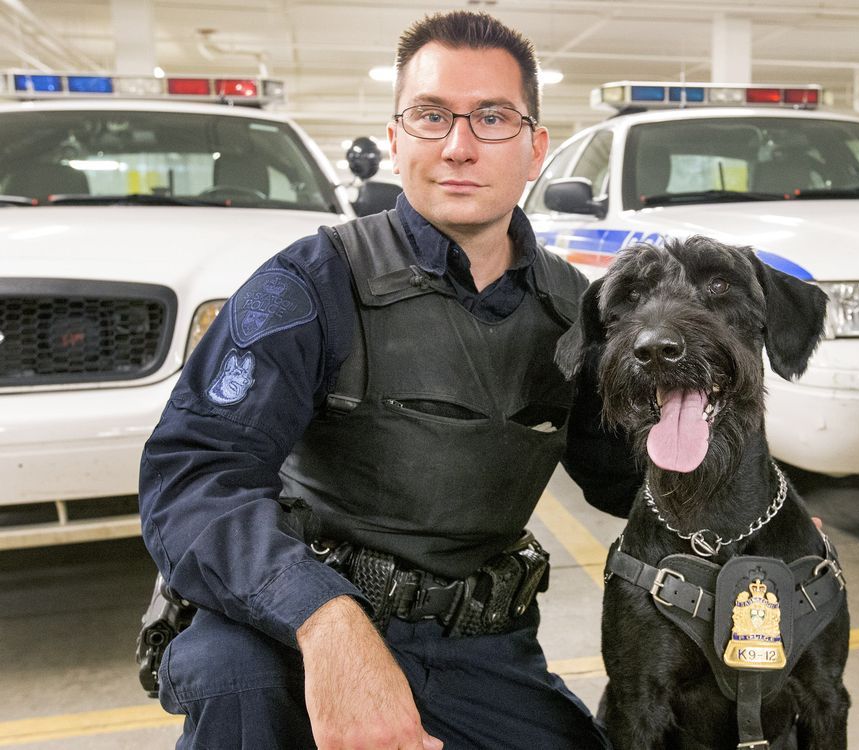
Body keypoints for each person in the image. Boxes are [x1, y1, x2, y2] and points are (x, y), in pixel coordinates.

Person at [139, 10, 638, 750]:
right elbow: (193, 477)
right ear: (398, 138)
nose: (459, 147)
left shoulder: (579, 312)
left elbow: (623, 475)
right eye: (432, 116)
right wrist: (323, 616)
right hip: (288, 625)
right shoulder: (310, 284)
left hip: (476, 645)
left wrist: (757, 514)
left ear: (535, 149)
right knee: (235, 684)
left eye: (492, 118)